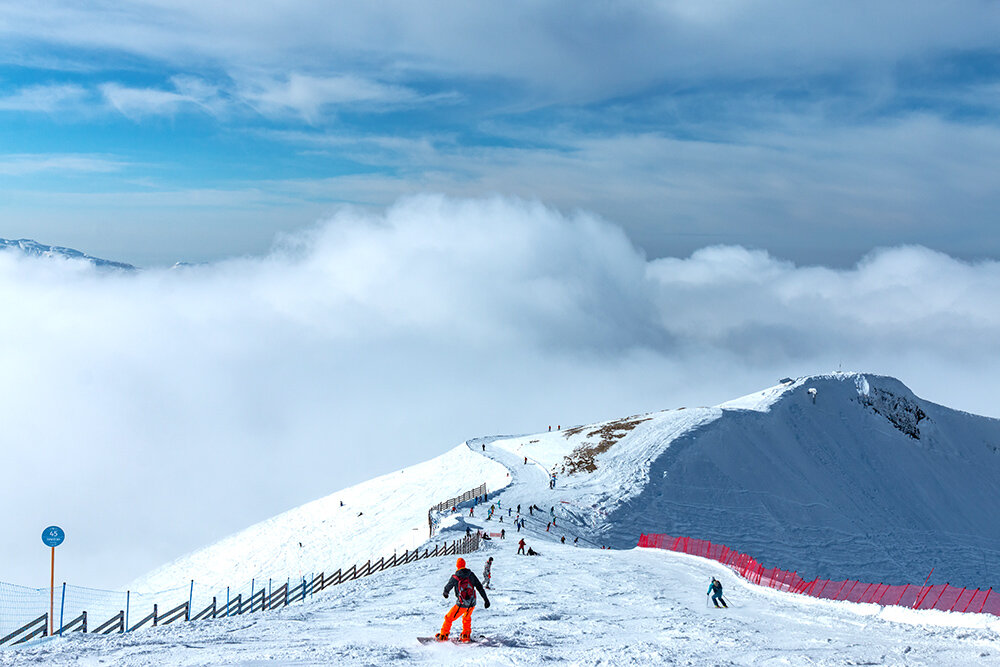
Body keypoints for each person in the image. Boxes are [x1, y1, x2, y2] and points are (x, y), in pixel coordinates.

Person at [437, 558, 490, 642]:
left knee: (449, 618)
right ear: (464, 565)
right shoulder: (471, 575)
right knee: (466, 617)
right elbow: (480, 587)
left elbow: (447, 587)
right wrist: (486, 600)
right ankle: (466, 635)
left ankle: (443, 636)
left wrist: (445, 593)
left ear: (457, 566)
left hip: (462, 603)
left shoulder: (456, 576)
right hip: (472, 603)